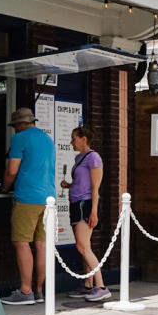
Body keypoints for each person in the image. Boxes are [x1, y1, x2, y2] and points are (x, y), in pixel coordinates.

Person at [2, 106, 56, 304]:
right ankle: (39, 291)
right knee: (41, 245)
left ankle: (25, 291)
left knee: (21, 242)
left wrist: (4, 186)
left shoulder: (20, 138)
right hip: (48, 199)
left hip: (27, 197)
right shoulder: (47, 139)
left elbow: (12, 171)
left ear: (19, 125)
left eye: (15, 126)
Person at [59, 125, 110, 304]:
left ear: (84, 139)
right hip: (75, 203)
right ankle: (88, 283)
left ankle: (101, 286)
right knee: (84, 246)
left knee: (82, 247)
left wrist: (94, 211)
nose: (71, 142)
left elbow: (95, 187)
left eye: (74, 138)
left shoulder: (93, 158)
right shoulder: (79, 158)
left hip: (85, 204)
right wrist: (69, 186)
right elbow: (81, 183)